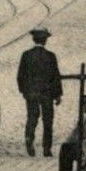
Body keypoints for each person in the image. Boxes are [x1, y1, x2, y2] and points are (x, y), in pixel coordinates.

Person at [17, 27, 62, 157]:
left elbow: (21, 75)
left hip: (31, 93)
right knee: (48, 120)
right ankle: (46, 148)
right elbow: (55, 77)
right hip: (47, 94)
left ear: (33, 39)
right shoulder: (50, 56)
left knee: (32, 117)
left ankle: (29, 138)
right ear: (45, 41)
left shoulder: (26, 55)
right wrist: (57, 94)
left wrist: (24, 91)